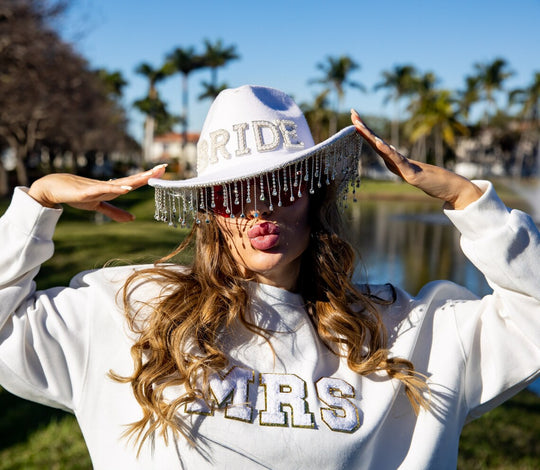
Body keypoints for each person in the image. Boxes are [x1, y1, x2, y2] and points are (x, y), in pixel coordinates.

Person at [0, 84, 538, 470]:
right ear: (209, 208)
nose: (260, 211)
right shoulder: (129, 310)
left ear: (314, 194)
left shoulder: (399, 328)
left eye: (282, 186)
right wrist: (35, 205)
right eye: (234, 193)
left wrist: (469, 201)